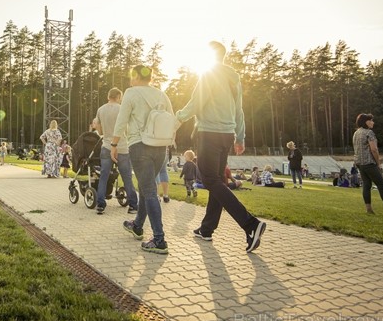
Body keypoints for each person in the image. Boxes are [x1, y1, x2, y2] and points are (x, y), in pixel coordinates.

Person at [176, 41, 267, 253]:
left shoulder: (209, 74)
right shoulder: (233, 76)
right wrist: (240, 137)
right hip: (227, 134)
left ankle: (250, 224)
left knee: (209, 180)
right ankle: (207, 229)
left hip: (209, 132)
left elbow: (197, 102)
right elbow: (239, 110)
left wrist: (178, 117)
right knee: (217, 181)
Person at [112, 65, 174, 255]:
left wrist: (114, 144)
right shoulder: (162, 95)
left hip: (140, 146)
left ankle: (159, 239)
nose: (130, 79)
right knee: (147, 189)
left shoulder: (131, 93)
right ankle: (137, 225)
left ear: (138, 76)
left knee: (148, 191)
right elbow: (171, 119)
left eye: (132, 75)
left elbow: (122, 120)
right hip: (160, 147)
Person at [94, 87, 138, 214]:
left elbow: (100, 131)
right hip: (122, 147)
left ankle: (101, 204)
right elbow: (128, 129)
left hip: (107, 146)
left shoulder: (100, 110)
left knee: (104, 176)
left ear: (108, 96)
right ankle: (133, 206)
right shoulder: (122, 109)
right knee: (127, 177)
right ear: (119, 97)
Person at [352, 113, 383, 217]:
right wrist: (378, 163)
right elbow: (374, 149)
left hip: (360, 163)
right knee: (382, 186)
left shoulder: (356, 133)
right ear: (366, 122)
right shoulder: (369, 133)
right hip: (369, 163)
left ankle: (369, 209)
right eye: (371, 120)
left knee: (366, 185)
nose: (373, 122)